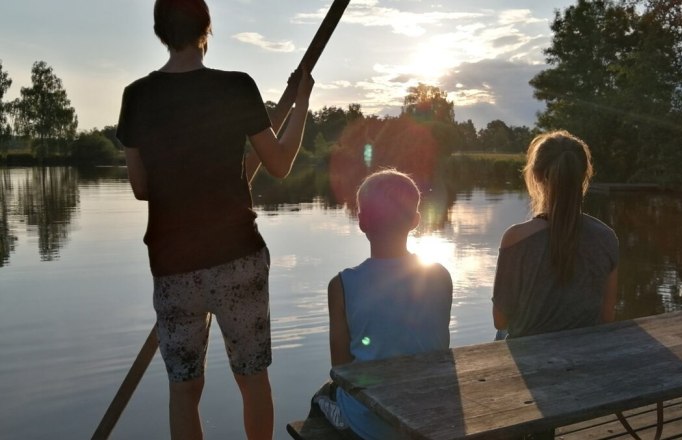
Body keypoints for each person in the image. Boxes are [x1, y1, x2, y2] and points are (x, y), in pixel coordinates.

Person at [116, 1, 314, 439]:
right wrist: (301, 102)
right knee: (252, 377)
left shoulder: (137, 96)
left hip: (172, 264)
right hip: (237, 257)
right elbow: (278, 163)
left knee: (183, 388)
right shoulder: (236, 87)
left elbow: (141, 187)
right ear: (207, 28)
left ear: (159, 32)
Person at [491, 131, 618, 439]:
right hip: (582, 362)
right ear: (583, 177)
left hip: (530, 367)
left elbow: (501, 319)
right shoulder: (607, 238)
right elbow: (606, 317)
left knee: (499, 335)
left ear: (536, 176)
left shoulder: (516, 238)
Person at [315, 169, 453, 440]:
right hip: (431, 413)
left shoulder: (341, 285)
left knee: (321, 397)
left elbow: (341, 368)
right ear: (415, 221)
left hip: (372, 424)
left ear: (362, 222)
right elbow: (438, 344)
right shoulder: (440, 275)